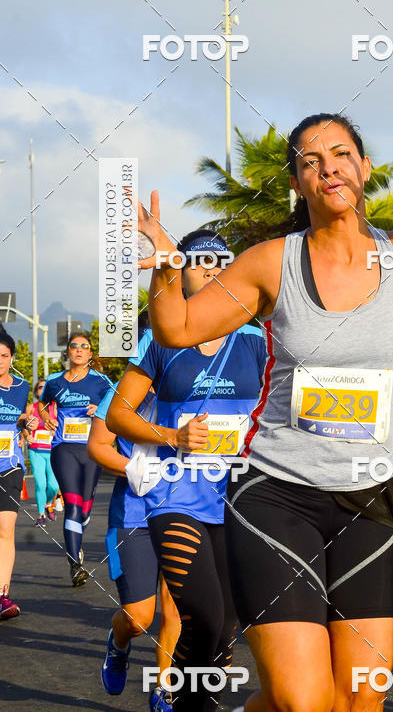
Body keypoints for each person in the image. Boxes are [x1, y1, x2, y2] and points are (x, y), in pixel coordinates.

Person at [138, 78, 393, 711]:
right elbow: (177, 327)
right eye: (310, 160)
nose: (328, 167)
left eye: (341, 154)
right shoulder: (272, 261)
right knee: (305, 701)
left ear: (365, 168)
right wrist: (166, 268)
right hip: (277, 494)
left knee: (357, 701)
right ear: (299, 184)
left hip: (374, 501)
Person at [106, 229, 267, 712]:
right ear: (183, 271)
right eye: (200, 261)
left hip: (238, 500)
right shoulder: (161, 340)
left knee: (225, 629)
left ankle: (195, 703)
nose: (213, 268)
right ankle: (170, 689)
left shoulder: (257, 341)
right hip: (174, 497)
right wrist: (171, 437)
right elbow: (118, 416)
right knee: (201, 612)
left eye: (223, 261)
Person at [88, 314, 180, 712]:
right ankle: (119, 641)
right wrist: (134, 469)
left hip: (186, 505)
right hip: (135, 511)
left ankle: (165, 687)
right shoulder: (123, 390)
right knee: (140, 617)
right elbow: (98, 445)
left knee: (175, 605)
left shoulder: (193, 381)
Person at [39, 333, 112, 586]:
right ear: (67, 352)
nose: (79, 350)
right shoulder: (55, 382)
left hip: (92, 450)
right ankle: (75, 565)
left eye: (85, 347)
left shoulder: (101, 382)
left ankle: (77, 538)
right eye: (74, 346)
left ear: (91, 354)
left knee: (85, 508)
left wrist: (100, 410)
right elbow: (42, 404)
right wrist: (47, 416)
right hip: (64, 449)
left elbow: (119, 407)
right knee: (72, 504)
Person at [0, 333, 31, 619]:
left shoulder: (22, 387)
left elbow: (20, 416)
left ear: (11, 357)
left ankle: (2, 596)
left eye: (4, 355)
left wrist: (26, 420)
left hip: (10, 466)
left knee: (5, 529)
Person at [25, 380, 60, 526]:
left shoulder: (56, 408)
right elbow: (23, 425)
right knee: (40, 483)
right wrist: (27, 435)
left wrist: (55, 431)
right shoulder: (31, 408)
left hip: (52, 451)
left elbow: (62, 424)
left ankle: (47, 503)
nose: (43, 389)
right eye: (40, 387)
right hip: (36, 451)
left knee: (53, 485)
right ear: (36, 391)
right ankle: (41, 515)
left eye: (46, 387)